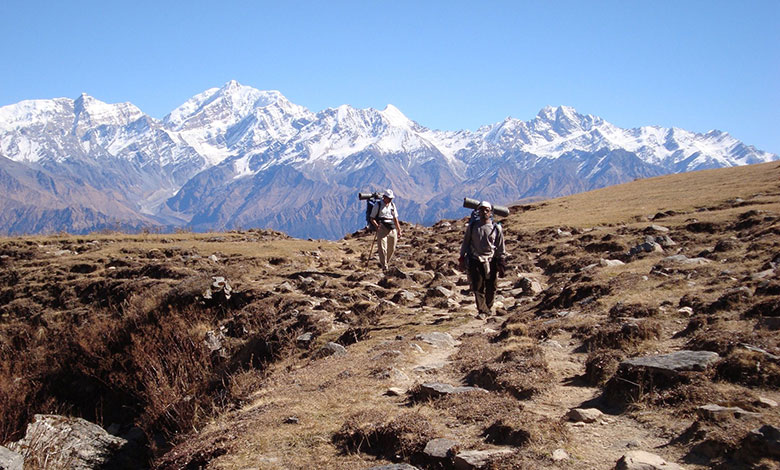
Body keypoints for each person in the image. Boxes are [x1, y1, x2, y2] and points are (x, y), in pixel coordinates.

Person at [459, 200, 507, 317]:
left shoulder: (496, 228)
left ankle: (488, 307)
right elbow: (466, 243)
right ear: (478, 211)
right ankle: (482, 310)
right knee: (478, 286)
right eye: (481, 210)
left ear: (491, 212)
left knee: (491, 286)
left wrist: (501, 262)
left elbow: (500, 246)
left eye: (487, 210)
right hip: (476, 259)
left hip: (491, 260)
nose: (484, 212)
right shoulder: (473, 226)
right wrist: (461, 257)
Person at [370, 189, 402, 271]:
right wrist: (377, 226)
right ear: (384, 197)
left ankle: (386, 262)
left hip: (391, 228)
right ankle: (384, 267)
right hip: (382, 228)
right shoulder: (378, 205)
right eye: (389, 198)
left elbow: (395, 218)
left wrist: (399, 230)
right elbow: (372, 218)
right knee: (382, 248)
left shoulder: (392, 205)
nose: (390, 199)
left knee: (392, 248)